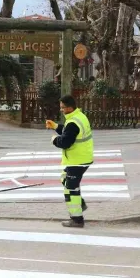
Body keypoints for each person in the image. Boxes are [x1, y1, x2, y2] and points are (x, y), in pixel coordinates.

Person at [46, 95, 93, 228]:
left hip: (77, 160)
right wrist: (55, 126)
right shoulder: (79, 117)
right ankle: (80, 204)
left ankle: (77, 219)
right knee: (65, 179)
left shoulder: (73, 122)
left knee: (70, 189)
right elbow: (69, 132)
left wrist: (54, 140)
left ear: (70, 107)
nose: (61, 110)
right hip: (82, 158)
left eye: (62, 108)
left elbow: (66, 141)